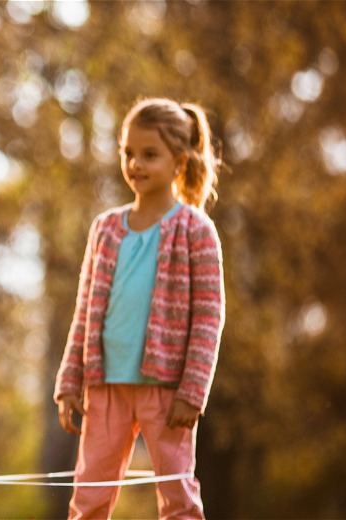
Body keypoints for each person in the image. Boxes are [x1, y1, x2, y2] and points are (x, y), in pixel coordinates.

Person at [54, 98, 226, 519]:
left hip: (166, 391)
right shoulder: (105, 229)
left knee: (178, 499)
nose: (135, 163)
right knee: (89, 497)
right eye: (128, 153)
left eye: (150, 154)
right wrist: (70, 379)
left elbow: (209, 317)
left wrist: (193, 390)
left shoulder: (195, 230)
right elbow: (85, 311)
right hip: (105, 384)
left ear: (179, 161)